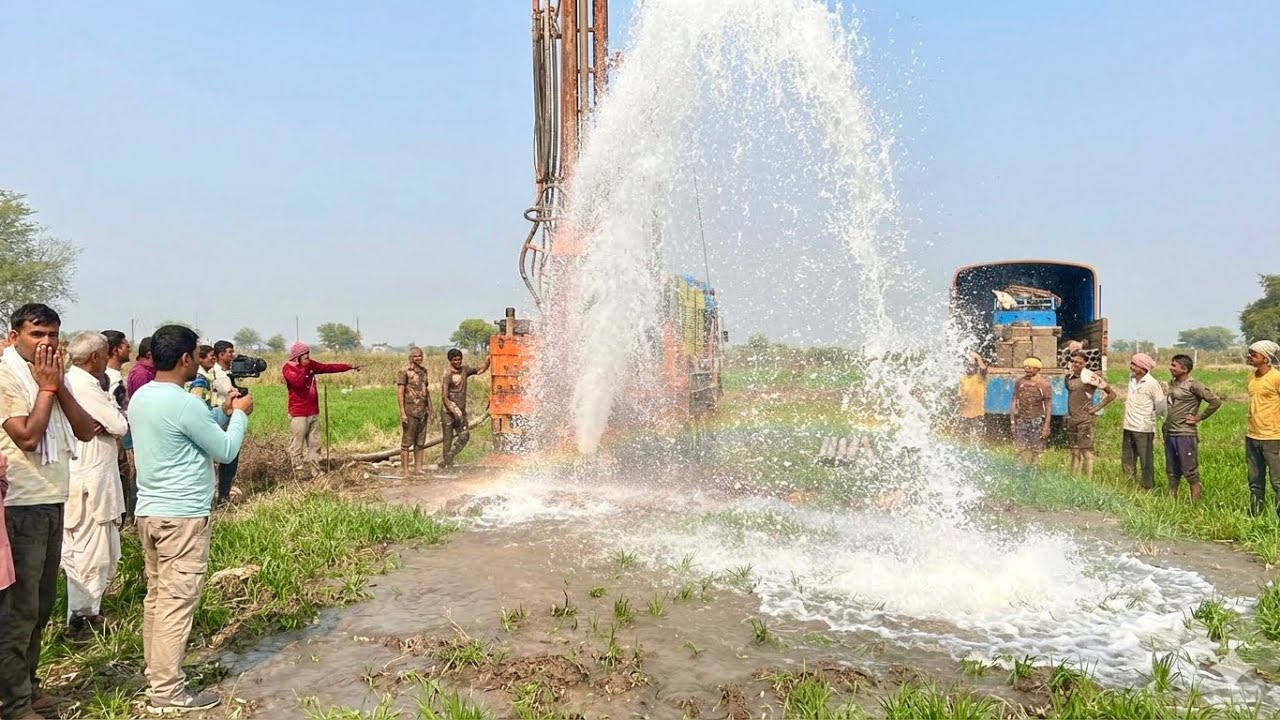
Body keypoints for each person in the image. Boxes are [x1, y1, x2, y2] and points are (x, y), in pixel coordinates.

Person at [130, 324, 253, 713]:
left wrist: (221, 411)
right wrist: (240, 417)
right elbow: (226, 450)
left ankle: (156, 675)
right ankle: (167, 693)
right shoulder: (184, 403)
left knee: (157, 598)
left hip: (150, 512)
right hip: (182, 517)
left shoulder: (142, 397)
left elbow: (186, 433)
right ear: (185, 359)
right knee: (176, 603)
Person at [0, 304, 98, 720]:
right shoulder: (6, 375)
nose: (46, 343)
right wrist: (45, 388)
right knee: (17, 611)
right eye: (36, 334)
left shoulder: (52, 377)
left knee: (41, 604)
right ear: (14, 335)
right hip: (19, 503)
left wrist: (57, 386)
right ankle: (14, 703)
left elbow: (85, 428)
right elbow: (25, 435)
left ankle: (30, 685)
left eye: (52, 335)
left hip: (52, 496)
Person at [61, 332, 129, 643]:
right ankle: (83, 619)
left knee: (93, 551)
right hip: (90, 482)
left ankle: (86, 613)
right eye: (103, 355)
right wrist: (111, 419)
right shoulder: (84, 386)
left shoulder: (77, 382)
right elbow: (119, 425)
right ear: (95, 358)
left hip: (89, 478)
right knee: (90, 552)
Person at [282, 342, 359, 475]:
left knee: (315, 444)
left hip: (313, 412)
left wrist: (349, 366)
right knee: (297, 444)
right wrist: (305, 369)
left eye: (308, 355)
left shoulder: (310, 365)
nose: (308, 358)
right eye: (305, 356)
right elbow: (298, 383)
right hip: (298, 413)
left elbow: (328, 367)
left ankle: (316, 471)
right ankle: (297, 473)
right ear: (297, 357)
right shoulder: (288, 368)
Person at [1163, 354, 1221, 502]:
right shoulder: (1172, 383)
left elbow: (1215, 401)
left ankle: (1195, 503)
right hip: (1171, 433)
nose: (1171, 367)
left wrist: (1199, 417)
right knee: (1172, 470)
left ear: (1185, 369)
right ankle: (1172, 501)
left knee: (1190, 470)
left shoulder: (1193, 385)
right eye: (1171, 364)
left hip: (1185, 434)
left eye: (1174, 365)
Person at [1065, 350, 1117, 478]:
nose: (1075, 364)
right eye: (1073, 361)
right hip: (1072, 419)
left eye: (1079, 362)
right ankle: (1073, 479)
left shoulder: (1090, 377)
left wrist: (1096, 408)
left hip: (1085, 420)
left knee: (1086, 452)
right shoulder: (1068, 378)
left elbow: (1112, 394)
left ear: (1085, 363)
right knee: (1075, 451)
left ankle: (1087, 481)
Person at [1121, 352, 1167, 490]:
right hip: (1129, 425)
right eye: (1132, 363)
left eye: (1134, 364)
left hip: (1144, 428)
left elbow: (1161, 406)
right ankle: (1129, 484)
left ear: (1143, 368)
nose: (1131, 367)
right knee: (1127, 458)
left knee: (1145, 459)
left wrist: (1150, 416)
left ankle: (1147, 486)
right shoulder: (1131, 379)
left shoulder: (1152, 383)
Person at [440, 348, 491, 469]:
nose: (457, 362)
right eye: (455, 360)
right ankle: (447, 464)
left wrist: (487, 361)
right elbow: (444, 396)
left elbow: (479, 370)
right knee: (447, 440)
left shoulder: (464, 370)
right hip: (448, 412)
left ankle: (449, 457)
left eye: (459, 359)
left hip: (461, 411)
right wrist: (454, 410)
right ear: (450, 361)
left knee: (464, 436)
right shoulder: (447, 374)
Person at [1245, 340, 1280, 517]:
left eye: (1254, 354)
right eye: (1250, 353)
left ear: (1266, 358)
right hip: (1252, 436)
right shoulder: (1252, 377)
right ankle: (1255, 515)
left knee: (1277, 482)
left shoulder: (1276, 378)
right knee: (1255, 481)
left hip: (1273, 438)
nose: (1249, 357)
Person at [396, 347, 433, 477]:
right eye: (415, 356)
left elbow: (426, 391)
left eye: (420, 356)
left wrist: (431, 409)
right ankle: (405, 471)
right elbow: (400, 393)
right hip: (410, 410)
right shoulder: (404, 372)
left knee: (420, 442)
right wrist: (402, 413)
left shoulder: (424, 371)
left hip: (423, 411)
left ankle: (418, 468)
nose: (418, 358)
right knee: (406, 443)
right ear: (410, 357)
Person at [1010, 356, 1052, 466]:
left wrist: (1046, 426)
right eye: (1026, 367)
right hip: (1022, 420)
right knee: (1019, 449)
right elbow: (1014, 401)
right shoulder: (1019, 382)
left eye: (1031, 367)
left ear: (1038, 369)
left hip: (1037, 420)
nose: (1027, 369)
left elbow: (1048, 406)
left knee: (1036, 450)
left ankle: (1034, 471)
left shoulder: (1044, 385)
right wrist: (1013, 422)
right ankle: (1018, 471)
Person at [958, 352, 988, 439]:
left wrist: (978, 358)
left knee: (977, 438)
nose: (969, 368)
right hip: (964, 414)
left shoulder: (979, 378)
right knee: (964, 439)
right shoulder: (963, 379)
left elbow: (984, 369)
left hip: (977, 415)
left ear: (976, 367)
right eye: (967, 365)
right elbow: (960, 396)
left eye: (972, 366)